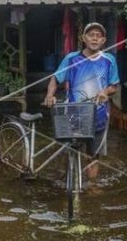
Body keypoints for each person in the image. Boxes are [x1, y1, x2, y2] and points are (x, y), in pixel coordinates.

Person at [43, 22, 120, 179]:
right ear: (83, 38)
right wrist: (50, 95)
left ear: (104, 40)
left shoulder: (109, 60)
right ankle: (70, 182)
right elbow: (55, 79)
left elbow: (114, 86)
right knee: (72, 150)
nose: (94, 39)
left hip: (98, 114)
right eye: (91, 35)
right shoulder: (71, 59)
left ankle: (91, 187)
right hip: (73, 112)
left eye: (98, 36)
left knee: (93, 154)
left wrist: (105, 92)